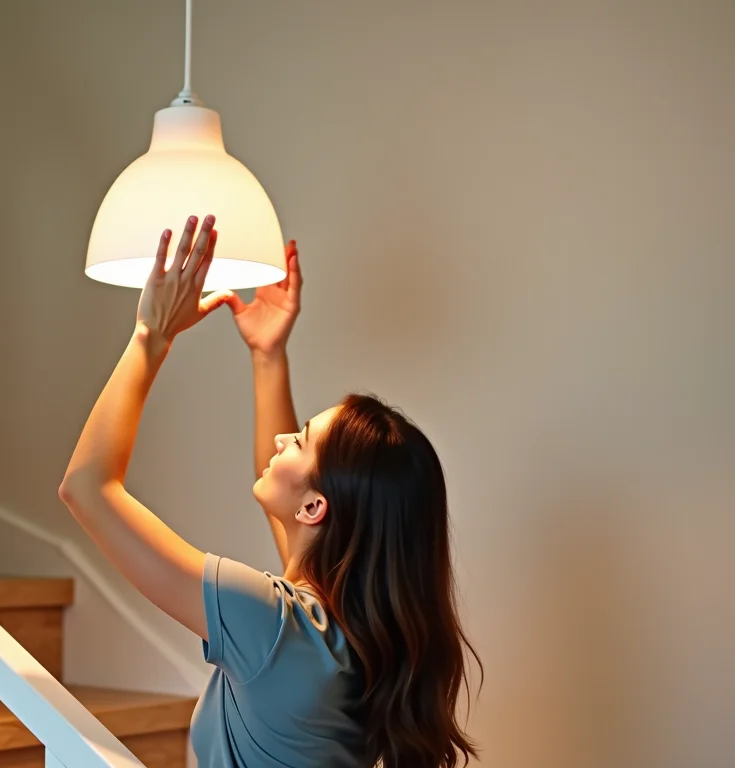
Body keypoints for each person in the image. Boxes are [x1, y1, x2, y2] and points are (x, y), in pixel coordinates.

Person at [58, 215, 479, 767]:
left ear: (315, 507)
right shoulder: (347, 639)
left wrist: (151, 334)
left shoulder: (272, 624)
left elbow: (86, 489)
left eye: (299, 439)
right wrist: (267, 355)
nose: (283, 437)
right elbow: (295, 504)